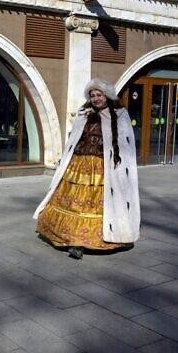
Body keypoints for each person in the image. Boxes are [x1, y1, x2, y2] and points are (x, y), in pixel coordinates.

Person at [34, 78, 140, 260]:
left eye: (99, 95)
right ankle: (75, 243)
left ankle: (117, 235)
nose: (96, 99)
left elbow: (125, 145)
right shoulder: (85, 113)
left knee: (105, 204)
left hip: (104, 169)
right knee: (74, 203)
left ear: (106, 95)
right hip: (78, 165)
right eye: (93, 96)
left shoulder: (120, 115)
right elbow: (74, 139)